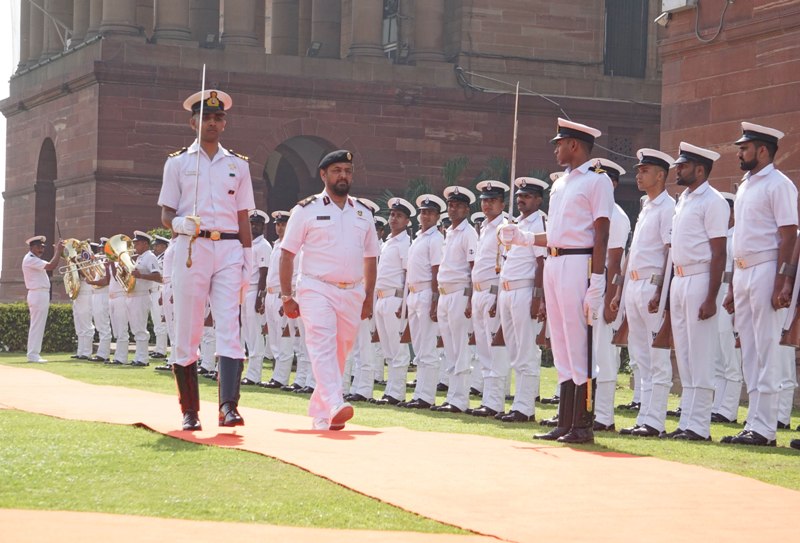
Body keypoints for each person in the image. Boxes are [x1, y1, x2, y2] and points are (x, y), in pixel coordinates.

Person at [500, 118, 614, 444]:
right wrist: (523, 238)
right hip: (555, 260)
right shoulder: (562, 183)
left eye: (559, 143)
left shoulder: (597, 181)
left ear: (574, 145)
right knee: (562, 343)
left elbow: (601, 232)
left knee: (578, 342)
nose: (556, 149)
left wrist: (597, 281)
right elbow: (558, 234)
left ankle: (582, 423)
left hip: (579, 262)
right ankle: (565, 422)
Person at [159, 88, 254, 431]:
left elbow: (243, 214)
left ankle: (229, 406)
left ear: (224, 123)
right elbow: (166, 213)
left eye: (218, 118)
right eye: (205, 117)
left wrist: (247, 256)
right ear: (193, 122)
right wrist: (179, 223)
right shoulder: (179, 162)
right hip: (191, 248)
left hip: (228, 247)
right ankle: (190, 411)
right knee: (188, 328)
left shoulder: (237, 165)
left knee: (230, 325)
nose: (212, 123)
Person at [279, 150, 379, 431]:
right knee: (322, 345)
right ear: (323, 175)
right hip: (315, 287)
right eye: (336, 170)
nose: (343, 175)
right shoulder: (306, 209)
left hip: (352, 291)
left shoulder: (363, 212)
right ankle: (336, 401)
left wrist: (368, 296)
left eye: (347, 170)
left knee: (339, 352)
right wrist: (287, 295)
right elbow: (287, 254)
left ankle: (323, 413)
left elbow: (371, 257)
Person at [724, 123, 797, 446]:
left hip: (767, 268)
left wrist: (783, 280)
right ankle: (754, 421)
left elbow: (788, 234)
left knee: (766, 348)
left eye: (745, 148)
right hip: (743, 271)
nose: (740, 153)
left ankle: (766, 427)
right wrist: (730, 287)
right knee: (750, 350)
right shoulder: (747, 184)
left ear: (763, 150)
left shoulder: (778, 185)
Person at [663, 142, 728, 441]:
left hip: (700, 278)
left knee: (700, 355)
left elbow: (718, 253)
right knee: (685, 355)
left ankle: (699, 425)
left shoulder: (712, 201)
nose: (678, 169)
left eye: (684, 165)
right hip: (679, 279)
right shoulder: (684, 200)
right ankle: (686, 421)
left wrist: (711, 297)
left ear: (700, 169)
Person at [611, 149, 676, 437]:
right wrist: (619, 289)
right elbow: (633, 252)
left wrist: (660, 290)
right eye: (639, 170)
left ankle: (655, 421)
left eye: (644, 170)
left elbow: (667, 252)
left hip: (651, 284)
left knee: (656, 356)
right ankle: (644, 417)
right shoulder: (646, 206)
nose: (638, 175)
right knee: (639, 356)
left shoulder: (667, 207)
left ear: (660, 175)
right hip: (634, 285)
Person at [496, 177, 547, 422]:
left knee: (525, 350)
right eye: (519, 196)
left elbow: (541, 263)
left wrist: (538, 298)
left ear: (538, 199)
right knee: (514, 350)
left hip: (525, 290)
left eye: (527, 196)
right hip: (507, 291)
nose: (521, 199)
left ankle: (525, 407)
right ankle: (519, 403)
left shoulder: (540, 224)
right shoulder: (513, 223)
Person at [589, 159, 631, 432]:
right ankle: (583, 410)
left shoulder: (616, 215)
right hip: (586, 287)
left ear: (612, 184)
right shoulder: (589, 211)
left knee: (604, 355)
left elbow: (615, 263)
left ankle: (604, 416)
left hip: (604, 288)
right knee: (585, 355)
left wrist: (610, 300)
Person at [430, 186, 478, 414]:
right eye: (450, 205)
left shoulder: (469, 233)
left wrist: (470, 299)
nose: (453, 209)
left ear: (467, 209)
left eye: (458, 205)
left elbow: (473, 268)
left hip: (460, 292)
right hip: (445, 294)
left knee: (460, 347)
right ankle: (452, 396)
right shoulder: (448, 232)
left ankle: (460, 399)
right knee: (450, 348)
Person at [468, 180, 511, 417]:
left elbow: (505, 265)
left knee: (495, 348)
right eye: (484, 200)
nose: (487, 204)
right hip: (478, 291)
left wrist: (498, 298)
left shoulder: (504, 227)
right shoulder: (484, 227)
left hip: (493, 291)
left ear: (501, 203)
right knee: (483, 349)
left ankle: (495, 402)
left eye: (492, 200)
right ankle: (488, 400)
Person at [399, 194, 446, 409]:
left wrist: (436, 300)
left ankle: (426, 396)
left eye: (430, 213)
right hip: (413, 294)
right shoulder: (418, 237)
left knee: (427, 347)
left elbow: (437, 270)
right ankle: (420, 393)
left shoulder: (436, 239)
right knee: (418, 347)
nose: (425, 216)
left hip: (427, 292)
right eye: (423, 212)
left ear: (437, 216)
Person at [370, 197, 413, 405]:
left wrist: (404, 306)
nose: (394, 219)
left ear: (407, 221)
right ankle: (390, 390)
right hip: (382, 297)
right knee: (388, 349)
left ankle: (397, 393)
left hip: (396, 299)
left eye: (399, 216)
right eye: (393, 215)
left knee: (398, 350)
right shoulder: (388, 242)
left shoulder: (405, 242)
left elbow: (407, 276)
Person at [711, 193, 743, 423]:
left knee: (731, 357)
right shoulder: (720, 236)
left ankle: (729, 409)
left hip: (731, 293)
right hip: (717, 293)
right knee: (718, 357)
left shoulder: (738, 235)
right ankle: (718, 405)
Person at [241, 210, 272, 386]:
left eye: (257, 224)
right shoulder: (248, 244)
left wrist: (261, 297)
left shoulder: (263, 246)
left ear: (263, 226)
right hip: (245, 290)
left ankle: (254, 374)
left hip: (254, 290)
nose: (254, 227)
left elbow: (264, 273)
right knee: (247, 333)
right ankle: (251, 372)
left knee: (255, 334)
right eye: (252, 224)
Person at [22, 236, 63, 363]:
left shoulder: (34, 259)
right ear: (32, 247)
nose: (41, 249)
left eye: (43, 247)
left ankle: (34, 354)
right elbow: (51, 266)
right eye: (39, 247)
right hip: (38, 294)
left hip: (40, 294)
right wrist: (58, 251)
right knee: (37, 325)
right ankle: (33, 355)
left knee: (38, 325)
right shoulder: (30, 259)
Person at [128, 231, 162, 367]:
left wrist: (140, 276)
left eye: (137, 243)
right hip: (134, 295)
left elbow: (158, 277)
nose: (135, 245)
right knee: (136, 328)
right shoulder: (140, 257)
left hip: (142, 295)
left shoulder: (150, 257)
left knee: (140, 328)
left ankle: (143, 359)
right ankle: (139, 357)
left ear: (145, 244)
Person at [86, 241, 112, 362]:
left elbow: (106, 281)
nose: (101, 252)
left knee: (103, 325)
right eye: (101, 249)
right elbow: (92, 275)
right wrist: (90, 264)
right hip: (96, 294)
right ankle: (102, 353)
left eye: (103, 249)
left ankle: (103, 354)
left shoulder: (110, 262)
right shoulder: (100, 262)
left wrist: (92, 283)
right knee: (99, 325)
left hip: (103, 294)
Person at [149, 235, 170, 359]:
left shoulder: (164, 259)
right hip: (153, 291)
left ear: (164, 246)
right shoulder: (157, 258)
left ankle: (161, 350)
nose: (155, 248)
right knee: (156, 322)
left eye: (157, 245)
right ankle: (158, 348)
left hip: (160, 290)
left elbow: (161, 276)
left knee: (161, 323)